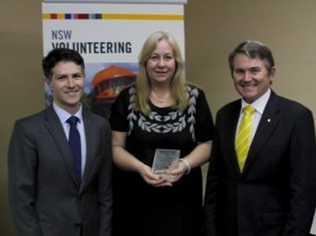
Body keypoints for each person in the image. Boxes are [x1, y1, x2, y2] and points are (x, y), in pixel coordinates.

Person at [204, 40, 316, 236]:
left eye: (255, 70)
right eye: (239, 71)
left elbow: (304, 191)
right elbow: (215, 181)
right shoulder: (224, 115)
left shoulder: (296, 117)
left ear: (271, 73)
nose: (247, 78)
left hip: (274, 230)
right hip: (227, 228)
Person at [110, 31, 214, 236]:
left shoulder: (195, 97)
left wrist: (184, 165)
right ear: (145, 62)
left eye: (168, 57)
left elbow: (208, 144)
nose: (161, 64)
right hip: (136, 202)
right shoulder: (127, 98)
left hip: (183, 202)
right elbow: (115, 147)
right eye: (154, 57)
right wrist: (140, 167)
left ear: (176, 63)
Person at [8, 48, 112, 236]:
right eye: (62, 78)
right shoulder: (28, 130)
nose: (71, 84)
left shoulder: (100, 127)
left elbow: (105, 192)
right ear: (49, 83)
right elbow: (21, 198)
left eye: (76, 76)